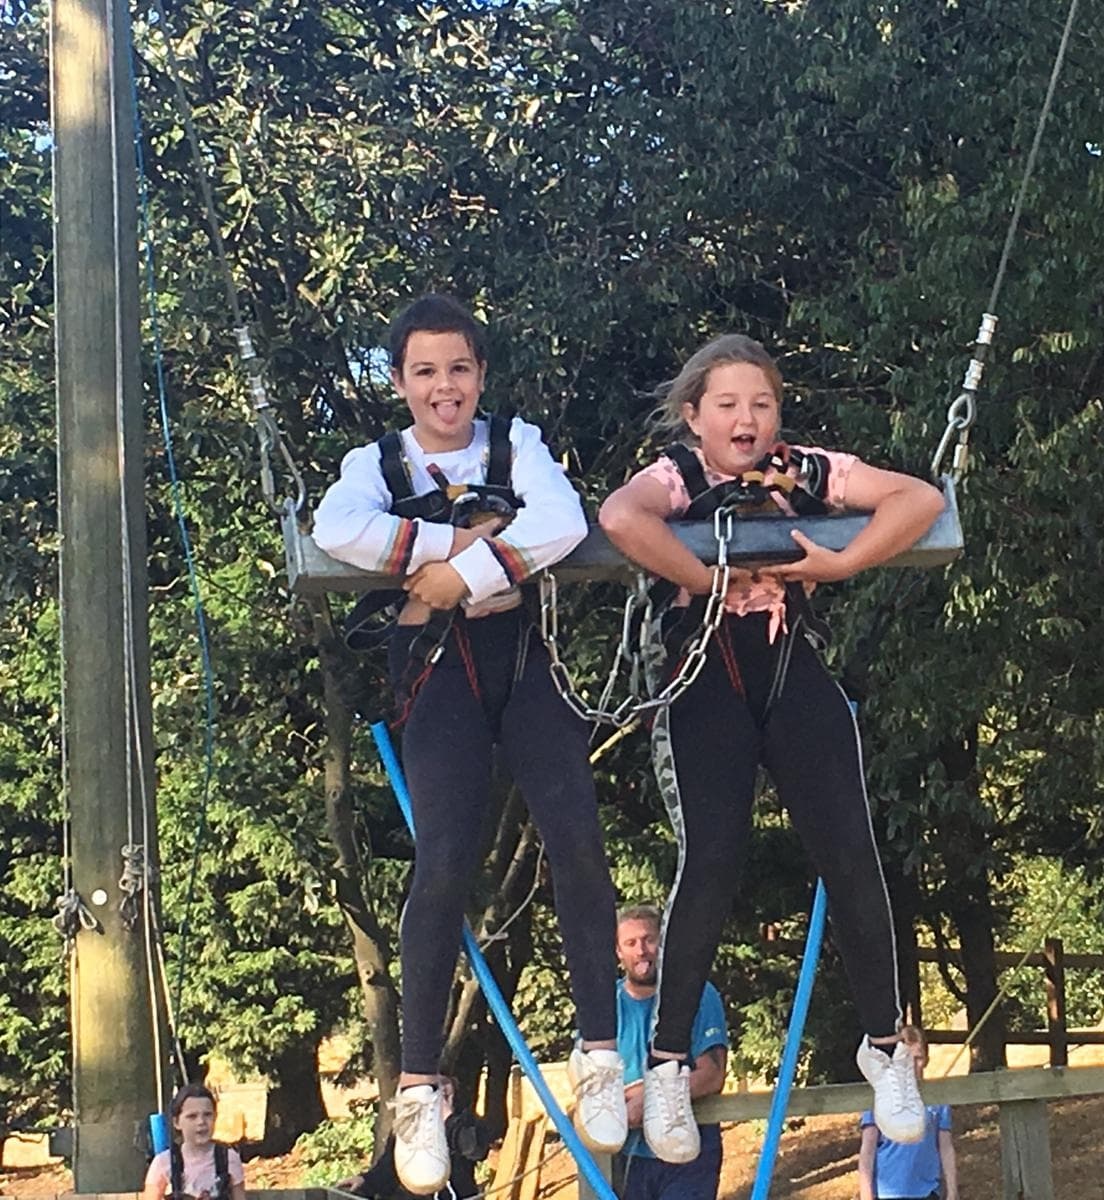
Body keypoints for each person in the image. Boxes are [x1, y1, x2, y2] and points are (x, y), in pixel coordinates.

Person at [598, 333, 945, 1163]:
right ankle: (669, 1062)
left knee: (850, 848)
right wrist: (705, 575)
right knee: (713, 857)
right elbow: (619, 517)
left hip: (788, 661)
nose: (746, 419)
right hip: (704, 671)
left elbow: (919, 499)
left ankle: (885, 1046)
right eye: (727, 405)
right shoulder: (677, 476)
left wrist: (842, 563)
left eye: (761, 403)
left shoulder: (805, 469)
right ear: (695, 417)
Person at [313, 295, 625, 1191]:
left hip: (523, 663)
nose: (443, 388)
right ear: (400, 382)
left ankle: (600, 1051)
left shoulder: (514, 446)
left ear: (480, 374)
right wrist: (461, 544)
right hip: (438, 673)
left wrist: (453, 576)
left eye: (458, 369)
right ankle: (417, 1087)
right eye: (425, 372)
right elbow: (337, 529)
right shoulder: (376, 464)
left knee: (576, 836)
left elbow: (562, 521)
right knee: (444, 857)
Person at [612, 904, 727, 1199]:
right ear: (618, 952)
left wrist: (646, 1098)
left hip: (688, 1153)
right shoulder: (605, 1005)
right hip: (627, 1156)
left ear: (663, 944)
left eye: (649, 940)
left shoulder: (699, 994)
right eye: (631, 943)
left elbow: (712, 1076)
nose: (641, 951)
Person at [336, 1077, 489, 1200]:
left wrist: (447, 1119)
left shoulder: (464, 1122)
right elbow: (389, 1168)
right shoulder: (408, 1125)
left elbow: (477, 1150)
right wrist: (366, 1181)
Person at [857, 1029, 958, 1200]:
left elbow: (946, 1147)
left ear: (926, 1060)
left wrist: (952, 1191)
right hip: (887, 1193)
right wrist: (866, 1195)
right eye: (907, 1058)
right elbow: (868, 1150)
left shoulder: (937, 1099)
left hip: (927, 1191)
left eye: (918, 1058)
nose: (912, 1065)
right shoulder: (883, 1096)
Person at [142, 1083, 245, 1200]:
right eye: (192, 1116)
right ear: (177, 1122)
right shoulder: (163, 1163)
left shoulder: (229, 1159)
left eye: (207, 1115)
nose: (201, 1122)